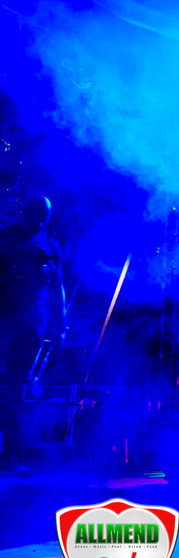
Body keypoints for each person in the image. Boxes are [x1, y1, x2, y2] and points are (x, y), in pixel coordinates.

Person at [0, 196, 65, 474]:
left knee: (16, 387)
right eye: (36, 212)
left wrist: (61, 325)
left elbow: (57, 287)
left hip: (33, 324)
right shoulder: (7, 238)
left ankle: (10, 454)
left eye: (44, 215)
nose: (40, 219)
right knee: (8, 386)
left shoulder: (50, 245)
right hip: (6, 319)